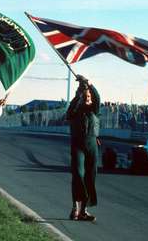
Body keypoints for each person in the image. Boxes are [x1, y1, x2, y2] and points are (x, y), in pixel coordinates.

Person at [66, 74, 100, 222]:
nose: (88, 98)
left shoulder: (94, 109)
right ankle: (75, 207)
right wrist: (79, 95)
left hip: (92, 145)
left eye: (89, 96)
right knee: (78, 175)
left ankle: (83, 211)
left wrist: (89, 84)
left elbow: (97, 97)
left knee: (90, 177)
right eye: (85, 96)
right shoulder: (74, 111)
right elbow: (70, 111)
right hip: (78, 144)